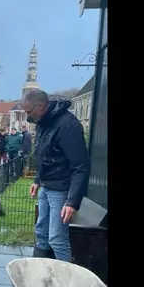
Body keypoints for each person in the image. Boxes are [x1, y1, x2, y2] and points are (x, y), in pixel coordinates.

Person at [21, 88, 90, 261]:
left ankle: (65, 281)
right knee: (41, 233)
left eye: (28, 111)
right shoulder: (44, 121)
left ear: (40, 106)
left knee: (57, 238)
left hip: (61, 189)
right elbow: (45, 154)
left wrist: (72, 201)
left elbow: (81, 166)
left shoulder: (68, 126)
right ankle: (40, 271)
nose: (27, 116)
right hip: (46, 185)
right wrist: (38, 180)